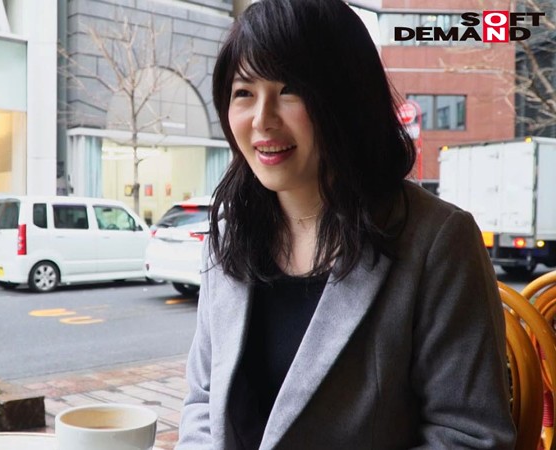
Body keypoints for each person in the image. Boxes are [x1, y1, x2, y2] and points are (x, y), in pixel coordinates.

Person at [177, 0, 515, 449]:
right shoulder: (229, 232)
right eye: (244, 93)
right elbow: (203, 401)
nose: (262, 119)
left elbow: (471, 436)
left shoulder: (438, 241)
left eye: (289, 90)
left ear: (346, 98)